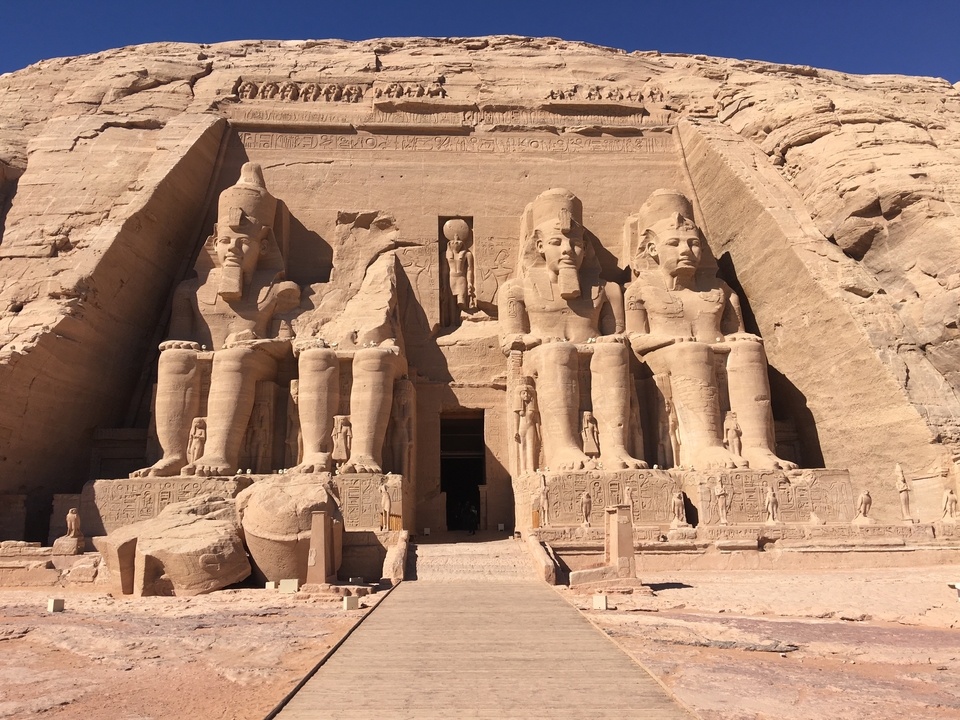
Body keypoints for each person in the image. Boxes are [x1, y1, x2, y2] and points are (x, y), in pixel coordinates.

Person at [131, 163, 299, 477]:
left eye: (243, 242)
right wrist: (180, 343)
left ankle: (220, 454)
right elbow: (178, 335)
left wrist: (256, 341)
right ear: (214, 242)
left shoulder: (278, 290)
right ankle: (174, 455)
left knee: (233, 358)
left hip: (256, 359)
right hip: (210, 353)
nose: (232, 249)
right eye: (225, 241)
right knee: (174, 359)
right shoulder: (190, 291)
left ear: (264, 246)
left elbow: (286, 344)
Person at [624, 190, 797, 471]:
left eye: (693, 244)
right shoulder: (640, 290)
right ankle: (705, 446)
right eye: (674, 243)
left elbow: (735, 332)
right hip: (665, 358)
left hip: (708, 351)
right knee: (692, 352)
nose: (685, 250)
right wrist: (667, 339)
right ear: (652, 250)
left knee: (749, 350)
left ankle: (756, 447)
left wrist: (737, 337)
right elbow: (634, 338)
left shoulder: (720, 291)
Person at [500, 188, 646, 471]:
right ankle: (562, 448)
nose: (568, 249)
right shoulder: (517, 289)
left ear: (586, 248)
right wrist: (537, 339)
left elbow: (618, 335)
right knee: (558, 352)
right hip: (542, 359)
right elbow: (509, 340)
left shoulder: (608, 289)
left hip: (590, 353)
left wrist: (605, 342)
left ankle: (616, 448)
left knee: (613, 353)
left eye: (576, 243)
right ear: (539, 246)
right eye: (556, 242)